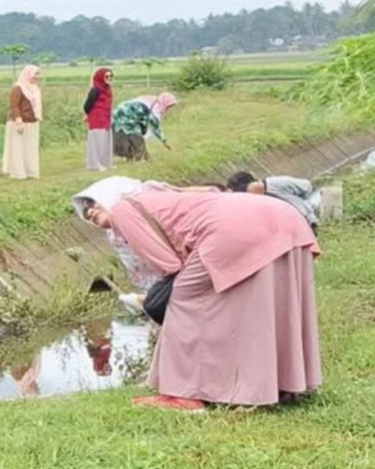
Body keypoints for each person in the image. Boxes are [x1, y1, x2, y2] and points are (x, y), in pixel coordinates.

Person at [74, 180, 320, 410]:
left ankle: (184, 394)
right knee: (268, 298)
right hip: (283, 217)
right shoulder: (157, 198)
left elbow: (169, 265)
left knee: (185, 300)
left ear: (112, 194)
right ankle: (282, 385)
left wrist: (151, 299)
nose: (90, 212)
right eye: (85, 211)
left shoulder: (123, 210)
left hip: (232, 228)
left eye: (94, 203)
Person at [224, 170, 322, 230]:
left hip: (309, 216)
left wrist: (308, 213)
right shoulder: (250, 209)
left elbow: (309, 187)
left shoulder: (276, 184)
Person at [3, 65, 43, 180]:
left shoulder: (34, 88)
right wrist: (19, 121)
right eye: (35, 74)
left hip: (32, 122)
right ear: (28, 74)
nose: (37, 77)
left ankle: (30, 171)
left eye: (38, 74)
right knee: (18, 148)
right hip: (20, 122)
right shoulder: (18, 88)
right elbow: (14, 106)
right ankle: (18, 172)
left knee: (30, 148)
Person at [112, 92, 177, 162]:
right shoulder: (155, 107)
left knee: (129, 136)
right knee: (136, 137)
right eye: (169, 106)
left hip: (120, 113)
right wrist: (165, 142)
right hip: (126, 115)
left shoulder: (152, 100)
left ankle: (135, 158)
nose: (168, 108)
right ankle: (139, 159)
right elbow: (155, 126)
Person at [82, 67, 116, 171]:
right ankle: (96, 164)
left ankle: (106, 163)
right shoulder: (95, 90)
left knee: (106, 142)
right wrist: (90, 115)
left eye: (111, 76)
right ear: (101, 77)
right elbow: (87, 106)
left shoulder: (108, 89)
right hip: (97, 120)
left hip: (106, 119)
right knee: (97, 143)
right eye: (106, 76)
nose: (109, 78)